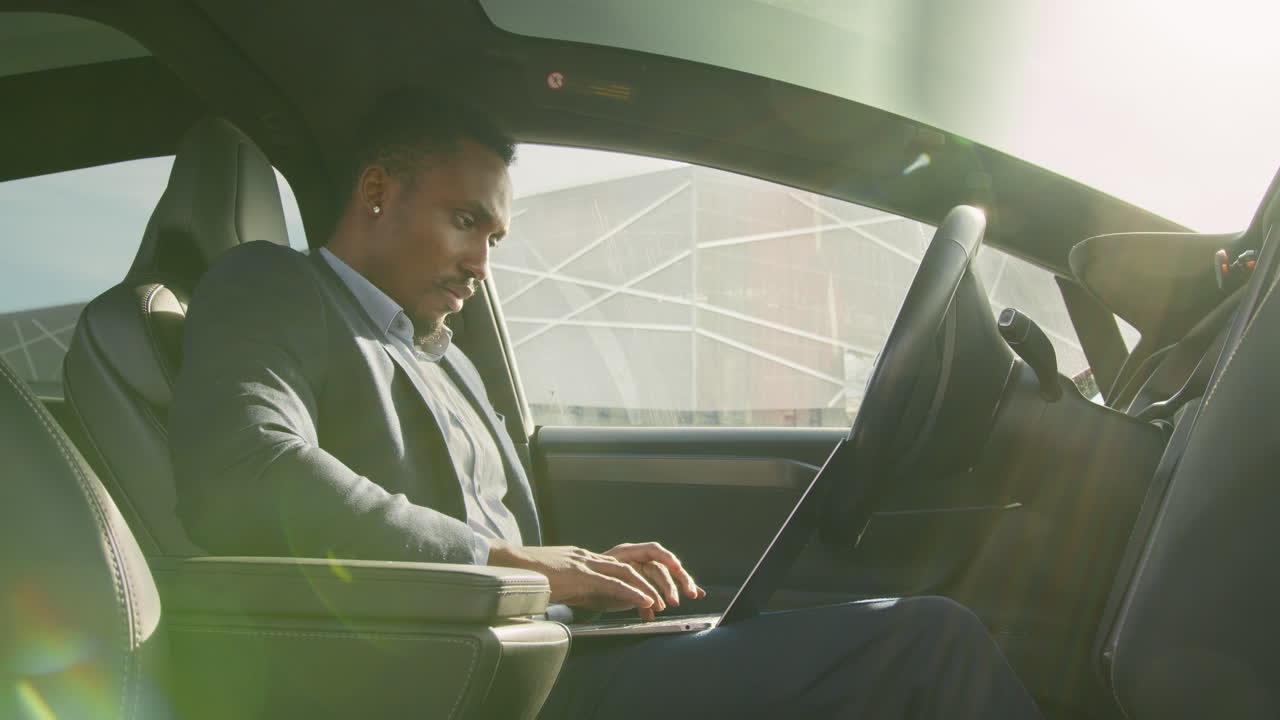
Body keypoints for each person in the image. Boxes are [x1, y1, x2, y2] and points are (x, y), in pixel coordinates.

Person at [169, 87, 1042, 719]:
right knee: (929, 643)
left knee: (892, 638)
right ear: (376, 193)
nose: (483, 262)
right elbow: (244, 471)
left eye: (497, 236)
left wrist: (578, 572)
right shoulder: (276, 287)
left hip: (553, 653)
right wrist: (511, 562)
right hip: (469, 684)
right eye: (466, 221)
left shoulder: (447, 360)